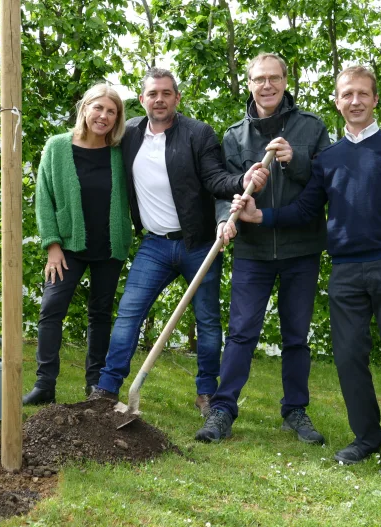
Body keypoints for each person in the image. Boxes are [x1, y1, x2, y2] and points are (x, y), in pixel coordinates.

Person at [231, 65, 381, 479]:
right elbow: (307, 210)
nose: (356, 101)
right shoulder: (327, 158)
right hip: (345, 270)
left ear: (375, 99)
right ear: (337, 101)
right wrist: (261, 217)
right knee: (348, 357)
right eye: (347, 94)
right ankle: (366, 438)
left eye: (363, 94)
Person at [88, 68, 267, 416]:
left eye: (166, 93)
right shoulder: (129, 134)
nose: (159, 99)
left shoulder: (198, 133)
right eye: (152, 93)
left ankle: (206, 394)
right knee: (127, 315)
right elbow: (92, 145)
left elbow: (215, 179)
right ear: (142, 99)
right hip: (154, 245)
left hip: (199, 244)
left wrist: (242, 179)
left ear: (177, 98)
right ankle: (107, 389)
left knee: (208, 321)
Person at [195, 53, 330, 445]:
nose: (266, 85)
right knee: (240, 333)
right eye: (259, 79)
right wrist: (225, 218)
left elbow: (328, 181)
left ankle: (295, 411)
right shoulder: (235, 135)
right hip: (253, 251)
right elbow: (225, 188)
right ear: (249, 84)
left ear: (286, 81)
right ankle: (222, 410)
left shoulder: (311, 127)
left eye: (274, 78)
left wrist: (297, 159)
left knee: (295, 335)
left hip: (300, 248)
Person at [23, 84, 133, 405]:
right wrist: (52, 245)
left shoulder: (118, 152)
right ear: (84, 108)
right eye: (98, 108)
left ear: (117, 118)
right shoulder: (56, 147)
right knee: (50, 310)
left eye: (111, 112)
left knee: (100, 314)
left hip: (110, 247)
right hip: (67, 248)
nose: (104, 116)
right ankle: (45, 385)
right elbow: (43, 198)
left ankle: (94, 386)